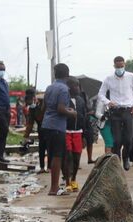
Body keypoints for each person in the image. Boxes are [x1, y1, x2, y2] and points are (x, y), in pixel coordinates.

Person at [98, 56, 133, 170]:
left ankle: (126, 157)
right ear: (114, 66)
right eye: (117, 66)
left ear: (124, 65)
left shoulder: (131, 76)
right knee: (116, 140)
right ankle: (118, 160)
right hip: (115, 111)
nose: (120, 68)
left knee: (129, 139)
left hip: (128, 110)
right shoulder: (108, 79)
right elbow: (101, 93)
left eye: (121, 66)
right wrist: (108, 102)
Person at [41, 63, 77, 196]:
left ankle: (55, 186)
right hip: (57, 126)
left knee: (54, 155)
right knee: (57, 156)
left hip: (47, 124)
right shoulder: (63, 89)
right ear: (67, 75)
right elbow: (60, 109)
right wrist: (72, 113)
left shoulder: (49, 87)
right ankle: (54, 188)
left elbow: (44, 107)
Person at [63, 77, 88, 192]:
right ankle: (67, 181)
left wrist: (84, 136)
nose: (78, 88)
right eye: (75, 86)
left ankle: (73, 179)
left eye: (78, 86)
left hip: (78, 132)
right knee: (68, 156)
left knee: (77, 157)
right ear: (69, 87)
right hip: (66, 131)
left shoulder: (81, 100)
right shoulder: (64, 100)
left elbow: (84, 118)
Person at [24, 88, 48, 172]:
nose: (29, 104)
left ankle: (50, 167)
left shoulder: (44, 102)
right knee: (41, 148)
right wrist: (26, 136)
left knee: (50, 148)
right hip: (41, 130)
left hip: (50, 128)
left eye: (30, 102)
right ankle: (42, 167)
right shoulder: (32, 109)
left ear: (34, 98)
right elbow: (30, 123)